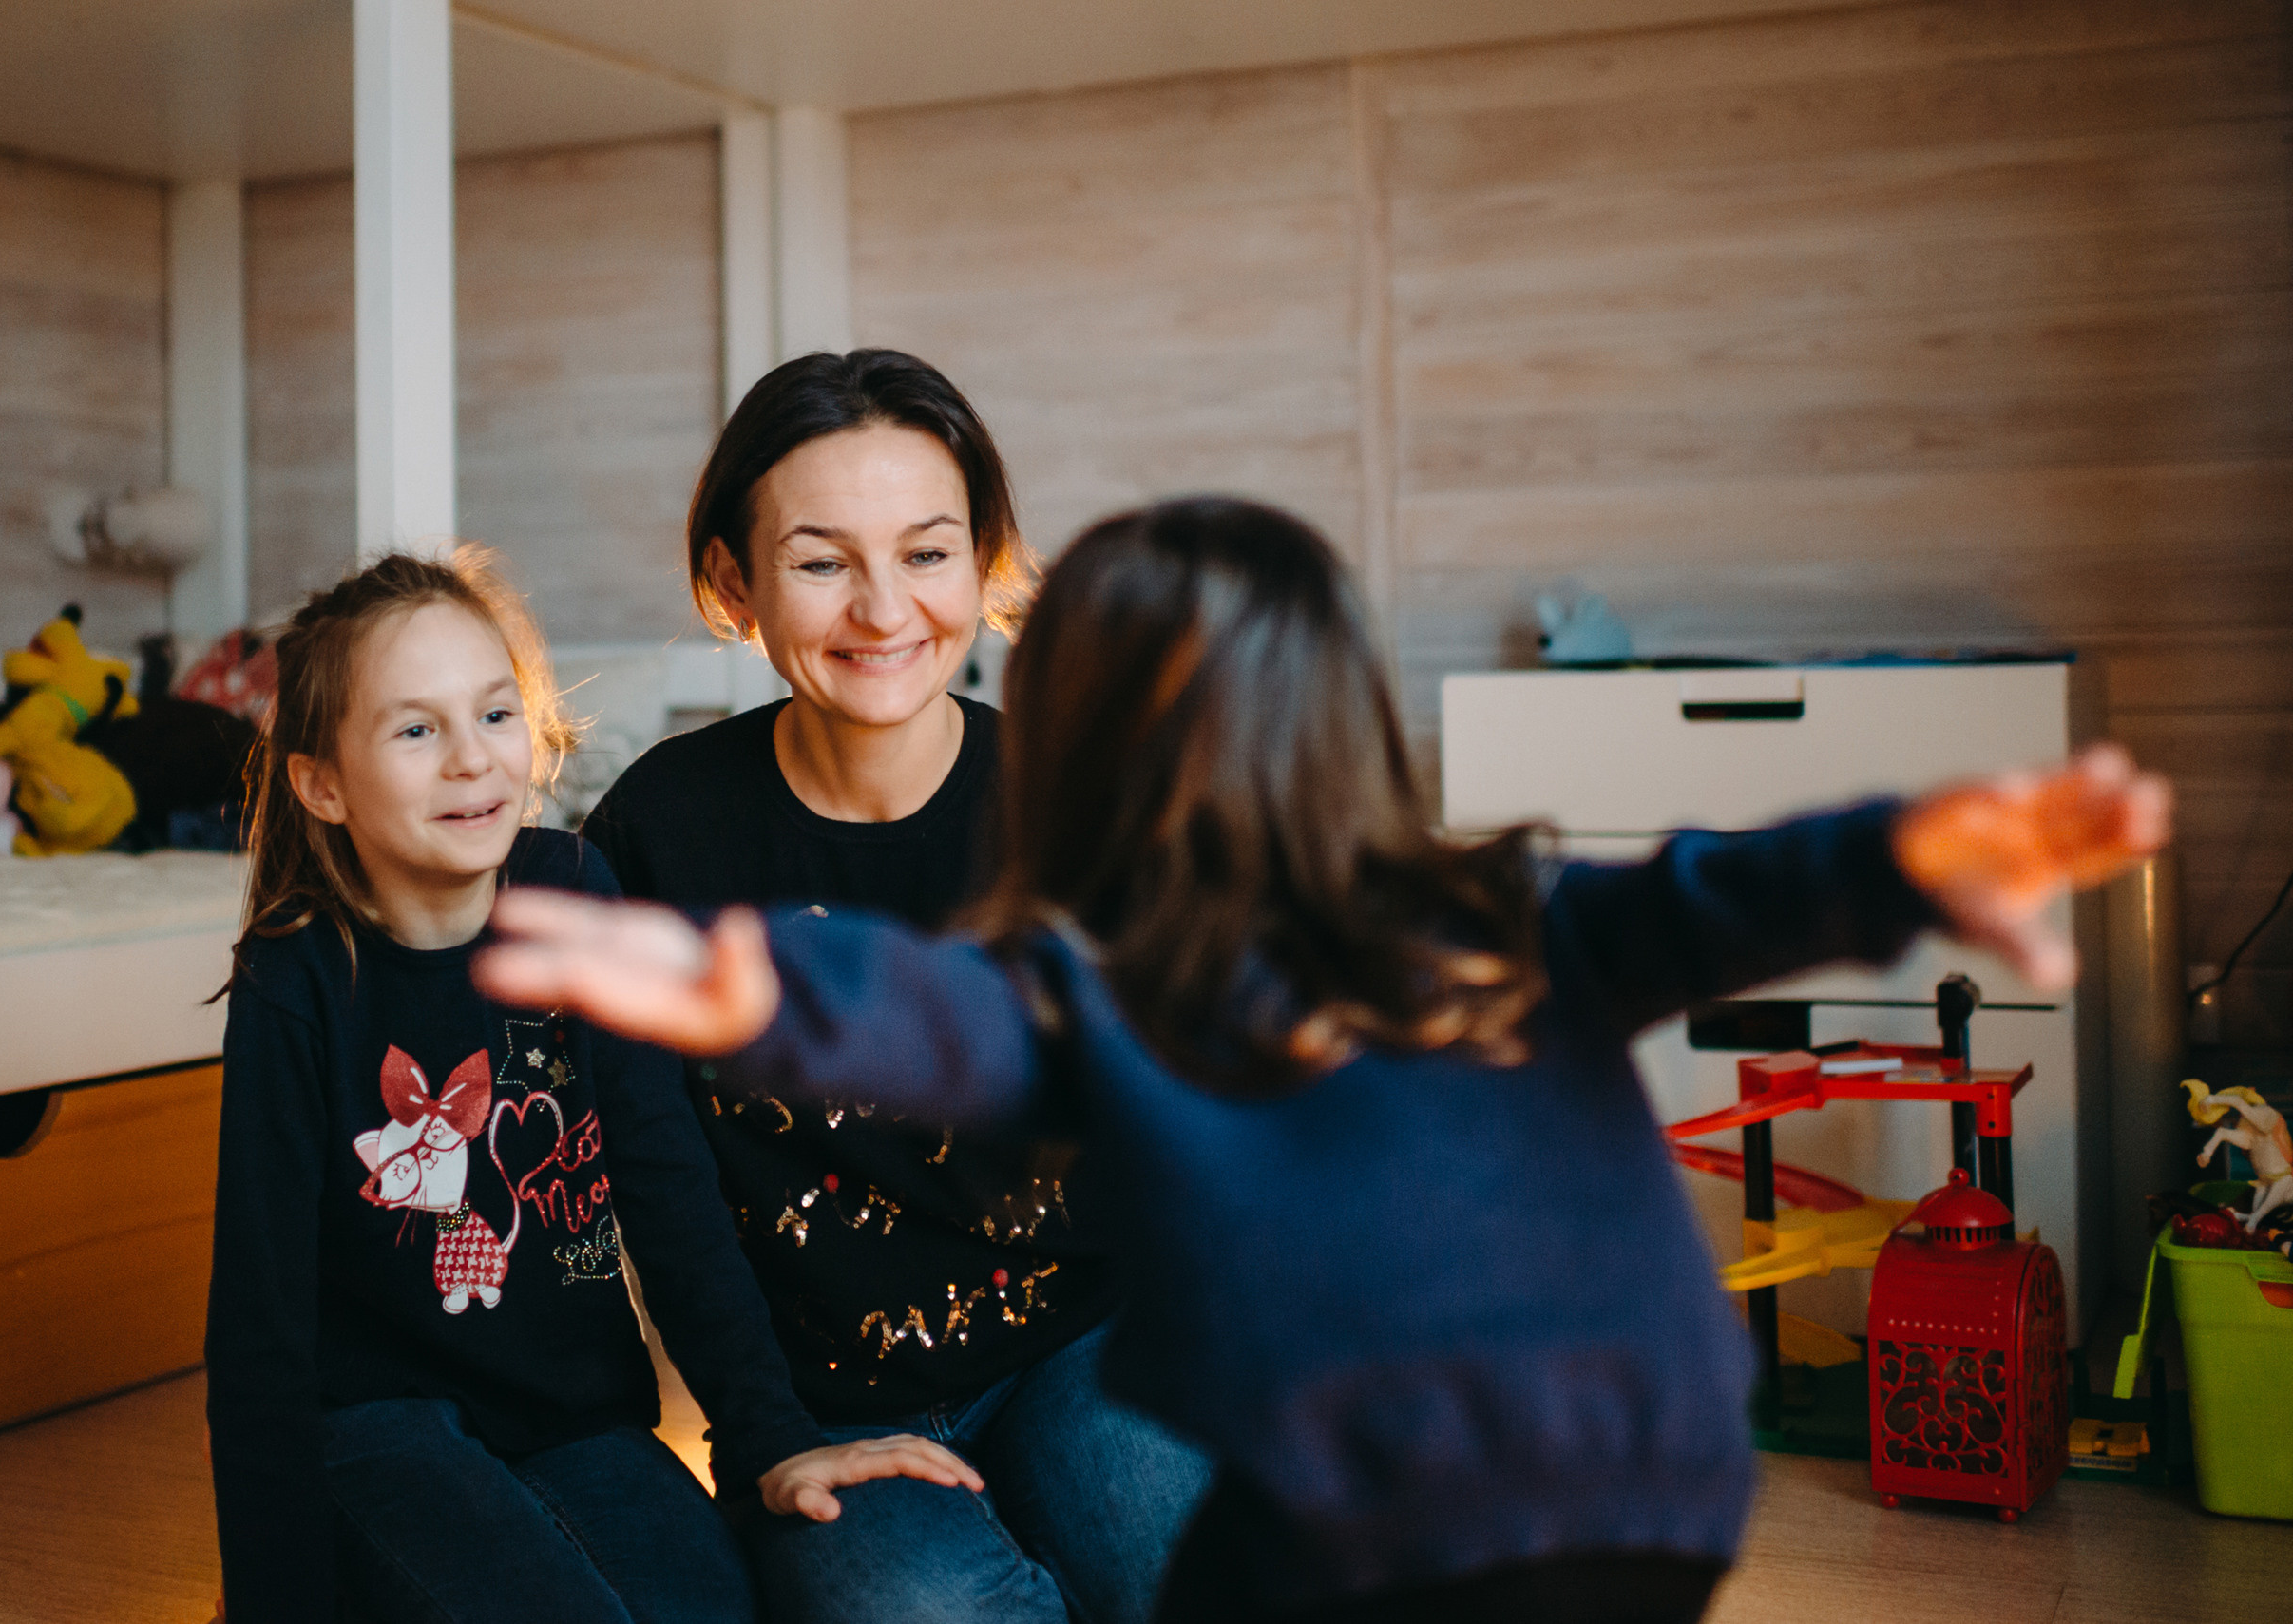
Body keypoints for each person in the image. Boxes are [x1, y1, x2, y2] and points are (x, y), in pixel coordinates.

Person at [479, 498, 2173, 1623]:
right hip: (1568, 1472)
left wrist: (1908, 852)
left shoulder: (1424, 931)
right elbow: (953, 1011)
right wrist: (753, 981)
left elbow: (1720, 891)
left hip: (1532, 1469)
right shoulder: (1241, 956)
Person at [203, 549, 973, 1624]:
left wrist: (771, 1436)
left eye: (494, 713)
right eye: (415, 729)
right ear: (321, 782)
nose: (472, 760)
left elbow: (667, 1183)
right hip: (378, 1424)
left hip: (573, 1416)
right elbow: (259, 1320)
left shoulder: (572, 889)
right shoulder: (296, 979)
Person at [579, 350, 1212, 1624]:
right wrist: (762, 1436)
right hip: (829, 1408)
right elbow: (663, 1183)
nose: (883, 609)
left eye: (927, 553)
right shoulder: (661, 834)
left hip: (1088, 1347)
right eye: (820, 561)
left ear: (984, 562)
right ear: (732, 583)